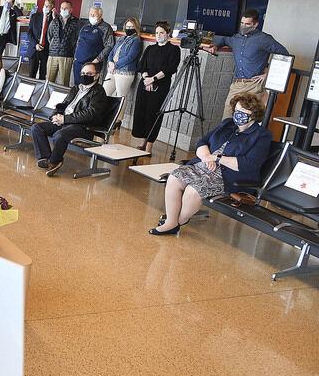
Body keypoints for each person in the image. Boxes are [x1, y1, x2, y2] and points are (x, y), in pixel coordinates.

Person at [150, 93, 272, 236]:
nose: (238, 115)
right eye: (237, 111)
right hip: (204, 164)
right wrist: (207, 157)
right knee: (174, 178)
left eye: (243, 113)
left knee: (193, 189)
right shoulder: (227, 124)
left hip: (229, 176)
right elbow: (202, 142)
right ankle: (171, 221)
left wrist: (217, 158)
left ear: (254, 115)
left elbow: (250, 164)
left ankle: (178, 222)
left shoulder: (261, 135)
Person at [30, 62, 109, 177]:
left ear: (96, 75)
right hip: (65, 122)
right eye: (83, 73)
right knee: (37, 128)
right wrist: (54, 116)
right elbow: (63, 104)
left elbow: (90, 114)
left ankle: (55, 161)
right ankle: (45, 158)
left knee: (59, 135)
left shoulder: (98, 92)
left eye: (89, 73)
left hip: (82, 127)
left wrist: (65, 119)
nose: (84, 75)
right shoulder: (76, 88)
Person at [206, 9, 288, 118]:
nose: (244, 26)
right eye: (242, 23)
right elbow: (225, 40)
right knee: (227, 115)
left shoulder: (264, 39)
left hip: (254, 85)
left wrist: (268, 73)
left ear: (255, 24)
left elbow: (285, 55)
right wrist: (216, 46)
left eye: (247, 24)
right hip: (238, 84)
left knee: (246, 118)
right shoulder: (236, 38)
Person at [131, 21, 181, 153]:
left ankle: (149, 146)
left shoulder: (174, 49)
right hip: (145, 83)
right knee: (142, 112)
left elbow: (169, 68)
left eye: (162, 33)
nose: (158, 35)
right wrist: (146, 79)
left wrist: (153, 79)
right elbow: (142, 66)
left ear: (168, 33)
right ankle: (142, 141)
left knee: (153, 114)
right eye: (157, 33)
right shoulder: (150, 49)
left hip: (160, 85)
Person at [73, 6, 114, 86]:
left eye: (93, 14)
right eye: (90, 14)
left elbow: (109, 46)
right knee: (77, 86)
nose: (91, 16)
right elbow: (79, 41)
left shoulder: (106, 28)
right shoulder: (85, 26)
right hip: (78, 62)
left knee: (89, 86)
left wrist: (98, 59)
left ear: (100, 15)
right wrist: (75, 56)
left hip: (92, 64)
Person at [103, 17, 142, 98]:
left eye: (131, 27)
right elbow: (112, 52)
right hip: (112, 70)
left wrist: (115, 65)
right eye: (127, 27)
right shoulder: (121, 38)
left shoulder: (136, 40)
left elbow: (130, 57)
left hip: (124, 72)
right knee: (104, 93)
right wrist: (110, 62)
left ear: (136, 27)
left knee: (120, 98)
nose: (129, 29)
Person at [46, 0, 79, 87]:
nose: (63, 10)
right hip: (53, 54)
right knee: (49, 81)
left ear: (71, 9)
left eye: (66, 8)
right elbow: (49, 36)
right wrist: (54, 46)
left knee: (64, 82)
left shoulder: (76, 22)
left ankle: (64, 99)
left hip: (67, 55)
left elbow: (77, 39)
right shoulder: (55, 21)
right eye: (62, 8)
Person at [27, 0, 54, 80]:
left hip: (46, 50)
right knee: (31, 74)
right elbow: (29, 33)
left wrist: (54, 17)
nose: (46, 7)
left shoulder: (54, 19)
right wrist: (35, 44)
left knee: (43, 74)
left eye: (48, 6)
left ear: (52, 7)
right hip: (34, 48)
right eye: (45, 5)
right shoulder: (35, 16)